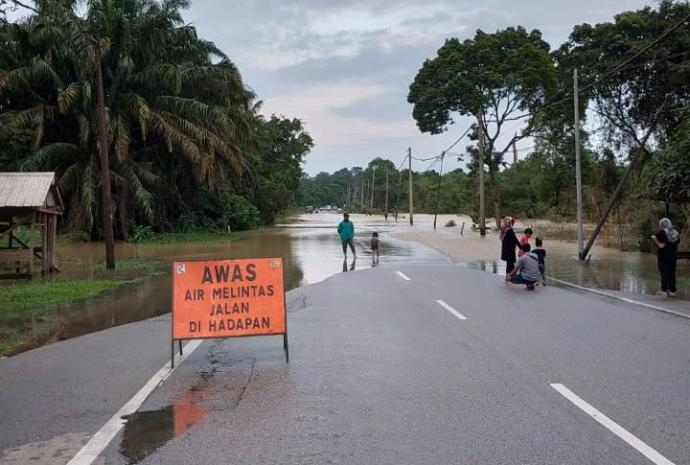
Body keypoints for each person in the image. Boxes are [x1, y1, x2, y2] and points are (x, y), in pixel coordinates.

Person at [651, 217, 680, 297]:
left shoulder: (662, 231)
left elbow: (653, 237)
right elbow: (677, 242)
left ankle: (664, 290)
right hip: (673, 256)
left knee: (664, 272)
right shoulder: (675, 232)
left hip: (663, 256)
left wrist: (658, 244)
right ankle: (672, 291)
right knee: (672, 273)